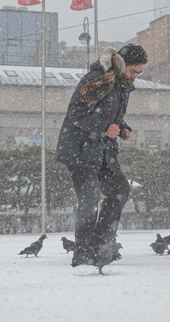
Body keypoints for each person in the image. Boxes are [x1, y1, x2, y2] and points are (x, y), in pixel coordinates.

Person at [55, 44, 148, 267]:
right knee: (89, 197)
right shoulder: (98, 79)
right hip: (80, 149)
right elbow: (76, 113)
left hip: (103, 150)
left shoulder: (121, 85)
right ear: (122, 64)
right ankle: (83, 251)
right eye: (133, 71)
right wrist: (105, 128)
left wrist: (122, 127)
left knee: (119, 190)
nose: (135, 76)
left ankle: (101, 243)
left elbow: (109, 114)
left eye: (139, 73)